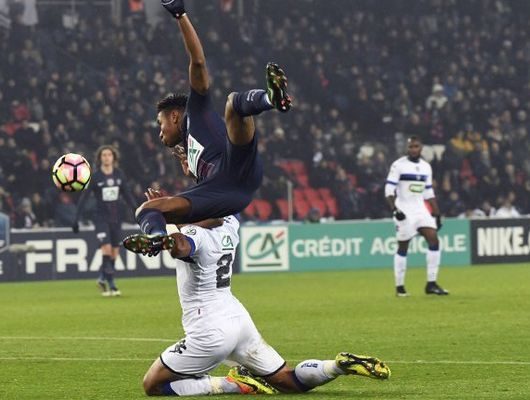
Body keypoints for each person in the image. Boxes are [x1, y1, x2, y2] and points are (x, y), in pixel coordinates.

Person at [129, 193, 390, 396]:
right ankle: (337, 366)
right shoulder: (231, 225)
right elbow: (211, 217)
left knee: (153, 384)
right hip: (237, 318)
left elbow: (182, 246)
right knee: (288, 381)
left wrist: (166, 230)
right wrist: (174, 220)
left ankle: (232, 384)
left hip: (209, 329)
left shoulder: (195, 234)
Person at [123, 0, 292, 256]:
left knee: (233, 104)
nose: (159, 133)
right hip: (230, 192)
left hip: (234, 166)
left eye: (160, 124)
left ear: (176, 116)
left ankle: (272, 99)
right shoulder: (192, 155)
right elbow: (213, 208)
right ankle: (157, 238)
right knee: (148, 210)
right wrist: (188, 181)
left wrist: (180, 14)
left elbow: (198, 62)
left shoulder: (196, 111)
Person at [385, 135, 448, 297]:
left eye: (416, 146)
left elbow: (428, 192)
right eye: (411, 147)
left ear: (421, 148)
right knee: (403, 247)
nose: (413, 149)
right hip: (404, 210)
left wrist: (436, 212)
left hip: (421, 210)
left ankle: (431, 284)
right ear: (407, 148)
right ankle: (400, 287)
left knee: (434, 240)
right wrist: (395, 209)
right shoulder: (398, 165)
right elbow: (388, 190)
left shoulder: (426, 167)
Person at [73, 145, 137, 296]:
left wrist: (136, 210)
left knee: (114, 253)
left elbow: (127, 195)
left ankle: (102, 278)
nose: (107, 157)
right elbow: (84, 198)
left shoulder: (119, 175)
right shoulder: (95, 177)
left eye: (109, 155)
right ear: (100, 158)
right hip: (100, 218)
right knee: (107, 250)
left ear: (113, 157)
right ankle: (112, 285)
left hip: (116, 218)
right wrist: (76, 218)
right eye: (104, 155)